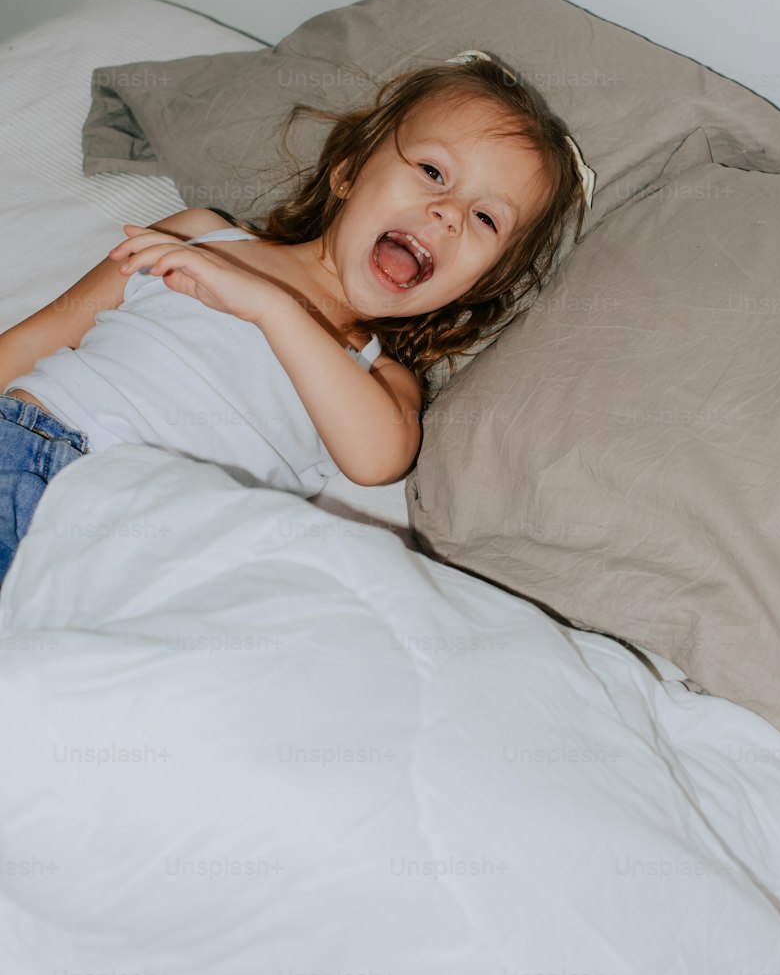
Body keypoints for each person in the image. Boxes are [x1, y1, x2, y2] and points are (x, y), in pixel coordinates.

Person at [0, 50, 595, 584]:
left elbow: (375, 459)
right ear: (348, 172)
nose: (448, 214)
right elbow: (39, 338)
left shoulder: (379, 378)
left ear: (477, 285)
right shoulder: (202, 237)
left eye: (487, 219)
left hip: (158, 544)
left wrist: (271, 307)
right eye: (434, 172)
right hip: (30, 448)